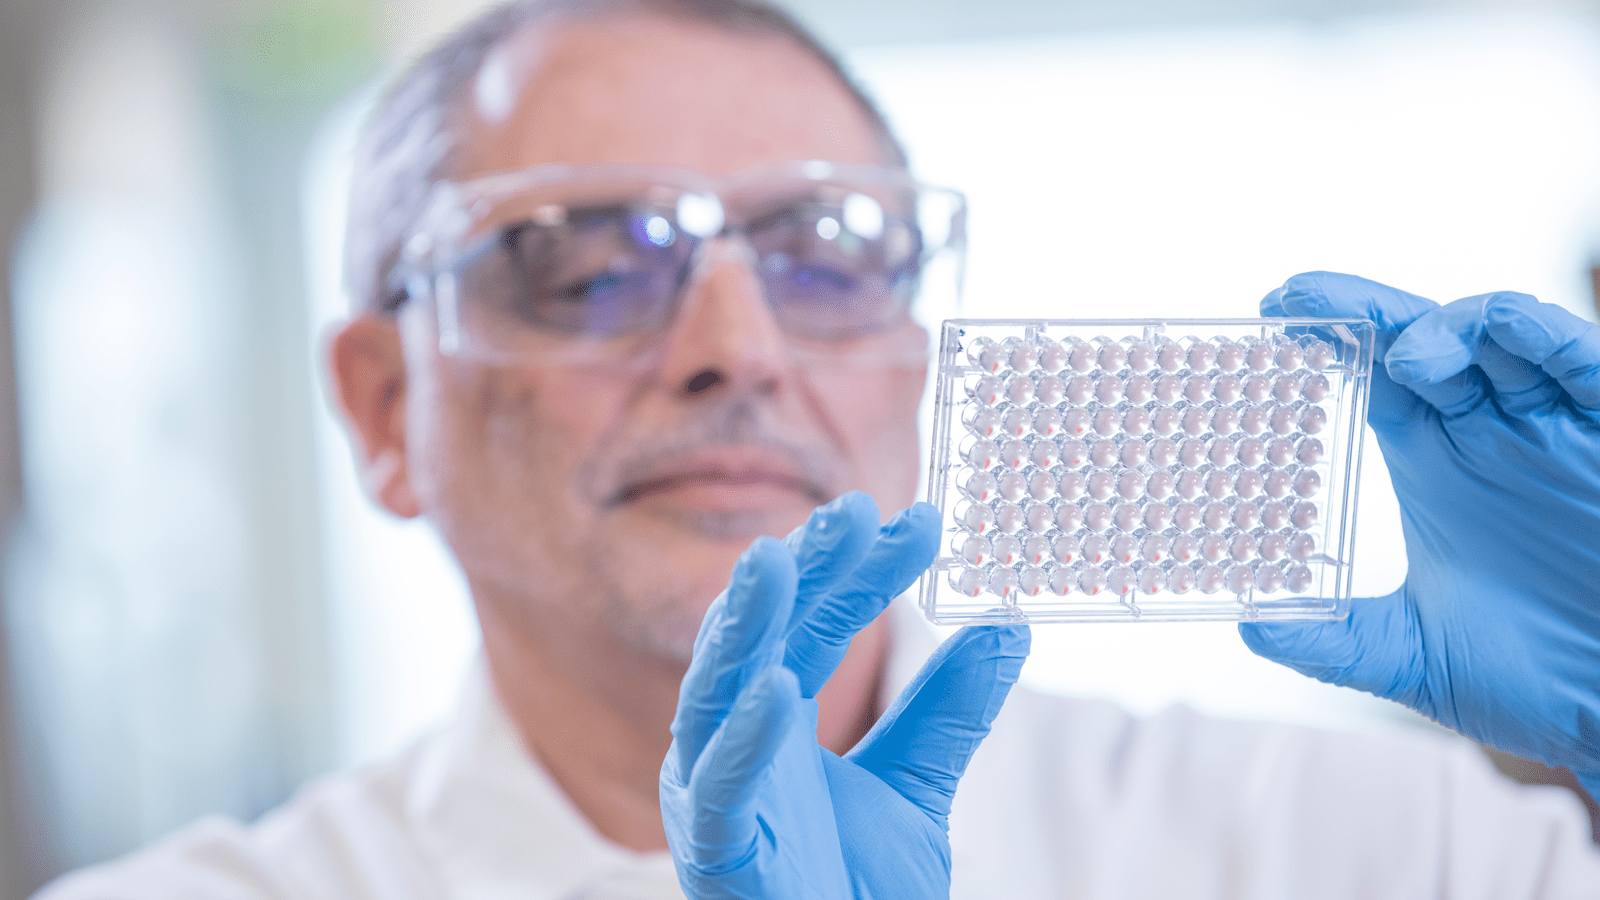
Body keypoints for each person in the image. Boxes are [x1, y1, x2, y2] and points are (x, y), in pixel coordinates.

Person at [36, 0, 1600, 897]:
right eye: (585, 264)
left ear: (922, 360)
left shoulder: (1384, 853)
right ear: (386, 411)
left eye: (830, 254)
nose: (738, 346)